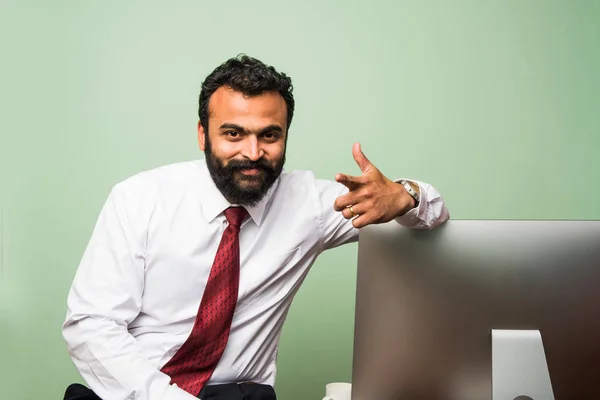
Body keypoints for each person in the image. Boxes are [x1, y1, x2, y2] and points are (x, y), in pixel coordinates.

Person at [62, 54, 450, 400]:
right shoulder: (139, 199)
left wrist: (405, 195)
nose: (252, 153)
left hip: (237, 394)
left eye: (269, 135)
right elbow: (91, 326)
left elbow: (433, 214)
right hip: (133, 390)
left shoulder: (309, 206)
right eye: (233, 133)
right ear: (202, 135)